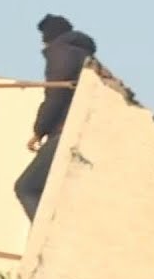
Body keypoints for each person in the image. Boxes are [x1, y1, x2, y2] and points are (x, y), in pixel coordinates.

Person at [14, 14, 97, 221]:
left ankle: (44, 239)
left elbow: (55, 96)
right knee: (58, 192)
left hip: (64, 130)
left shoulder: (61, 53)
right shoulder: (87, 56)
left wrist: (39, 130)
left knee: (27, 187)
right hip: (84, 130)